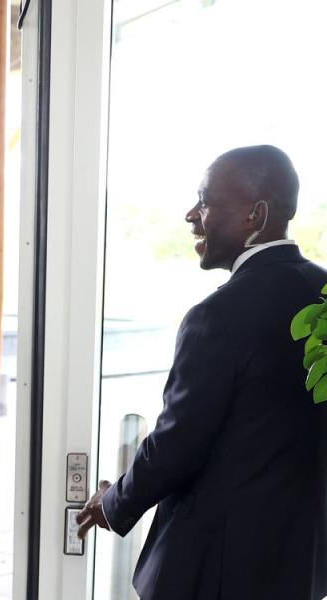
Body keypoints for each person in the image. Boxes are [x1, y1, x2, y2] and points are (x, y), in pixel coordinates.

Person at [76, 145, 327, 600]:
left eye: (207, 201)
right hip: (299, 567)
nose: (192, 214)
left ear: (256, 214)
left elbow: (177, 444)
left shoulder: (217, 317)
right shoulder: (323, 294)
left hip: (213, 574)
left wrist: (112, 503)